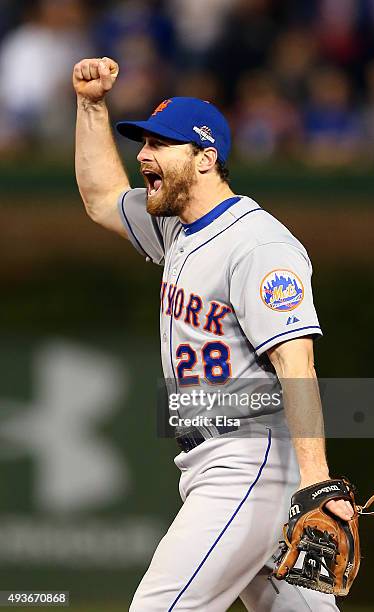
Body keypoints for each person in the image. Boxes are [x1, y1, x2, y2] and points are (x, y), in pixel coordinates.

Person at [73, 57, 354, 612]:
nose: (143, 156)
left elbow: (297, 364)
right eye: (144, 143)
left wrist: (316, 484)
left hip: (249, 462)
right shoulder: (175, 227)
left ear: (205, 159)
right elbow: (103, 198)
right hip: (218, 461)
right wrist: (90, 105)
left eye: (160, 145)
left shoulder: (258, 245)